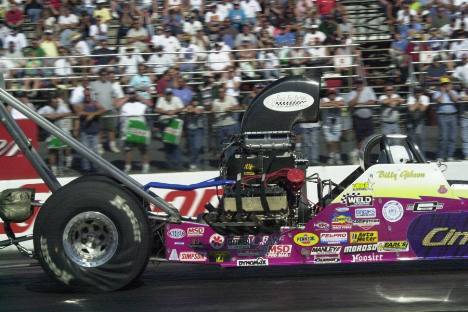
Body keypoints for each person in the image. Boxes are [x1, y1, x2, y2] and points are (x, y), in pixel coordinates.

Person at [117, 88, 152, 173]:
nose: (132, 94)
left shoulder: (140, 103)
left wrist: (139, 97)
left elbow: (150, 104)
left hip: (140, 126)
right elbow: (116, 105)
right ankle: (128, 166)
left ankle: (146, 166)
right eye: (130, 93)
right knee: (128, 149)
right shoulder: (124, 104)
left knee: (143, 148)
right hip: (128, 127)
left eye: (133, 93)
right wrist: (127, 97)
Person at [37, 92, 73, 174]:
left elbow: (68, 113)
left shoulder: (61, 106)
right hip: (53, 133)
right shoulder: (46, 108)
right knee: (53, 150)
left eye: (56, 102)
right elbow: (38, 114)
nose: (56, 103)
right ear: (50, 103)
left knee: (67, 148)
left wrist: (57, 116)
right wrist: (49, 116)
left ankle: (68, 165)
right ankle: (54, 169)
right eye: (54, 102)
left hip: (64, 131)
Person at [90, 68, 122, 154]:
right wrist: (98, 106)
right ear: (99, 75)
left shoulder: (109, 84)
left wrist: (114, 105)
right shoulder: (93, 84)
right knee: (100, 129)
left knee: (111, 129)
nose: (104, 76)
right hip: (99, 110)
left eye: (106, 74)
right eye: (103, 75)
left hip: (110, 109)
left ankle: (112, 145)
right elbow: (93, 98)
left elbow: (114, 96)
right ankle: (100, 146)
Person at [346, 78, 377, 164]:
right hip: (358, 119)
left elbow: (373, 102)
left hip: (368, 118)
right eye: (357, 83)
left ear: (363, 83)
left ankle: (361, 155)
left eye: (360, 83)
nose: (359, 84)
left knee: (369, 139)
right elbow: (351, 104)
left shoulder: (369, 90)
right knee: (359, 139)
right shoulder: (352, 93)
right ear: (355, 84)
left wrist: (361, 104)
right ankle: (358, 156)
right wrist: (358, 94)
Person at [74, 89, 106, 172]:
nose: (87, 97)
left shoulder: (95, 103)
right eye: (86, 95)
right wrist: (92, 114)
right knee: (85, 152)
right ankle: (86, 169)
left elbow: (103, 109)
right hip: (85, 131)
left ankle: (96, 168)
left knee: (95, 151)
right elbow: (80, 113)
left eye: (88, 95)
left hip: (94, 131)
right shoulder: (81, 104)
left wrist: (93, 114)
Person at [154, 88, 186, 169]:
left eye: (170, 94)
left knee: (175, 144)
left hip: (174, 123)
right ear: (165, 94)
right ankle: (170, 164)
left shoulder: (176, 99)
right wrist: (166, 112)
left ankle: (178, 164)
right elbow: (157, 109)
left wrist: (174, 111)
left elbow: (182, 108)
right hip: (164, 123)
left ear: (172, 94)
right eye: (167, 94)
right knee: (167, 144)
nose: (169, 95)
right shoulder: (161, 99)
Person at [432, 77, 460, 161]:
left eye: (447, 84)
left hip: (453, 115)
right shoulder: (437, 93)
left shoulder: (453, 92)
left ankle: (450, 155)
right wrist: (443, 92)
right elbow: (439, 101)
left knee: (452, 137)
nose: (445, 86)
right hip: (442, 116)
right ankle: (440, 156)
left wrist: (449, 91)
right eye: (443, 84)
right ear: (440, 85)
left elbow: (455, 100)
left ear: (450, 84)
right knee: (443, 137)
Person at [211, 86, 241, 152]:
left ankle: (231, 160)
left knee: (231, 144)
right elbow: (212, 111)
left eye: (222, 91)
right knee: (221, 145)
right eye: (219, 92)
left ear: (225, 92)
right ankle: (224, 160)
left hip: (230, 125)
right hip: (220, 126)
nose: (221, 93)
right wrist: (212, 111)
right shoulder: (215, 101)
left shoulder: (231, 98)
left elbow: (238, 107)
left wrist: (231, 108)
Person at [321, 88, 344, 165]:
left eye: (333, 93)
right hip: (327, 125)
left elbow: (341, 104)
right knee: (329, 142)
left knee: (337, 141)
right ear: (328, 94)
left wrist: (331, 103)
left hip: (337, 124)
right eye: (330, 93)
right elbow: (322, 104)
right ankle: (331, 156)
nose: (332, 95)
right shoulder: (323, 99)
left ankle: (338, 157)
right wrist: (335, 104)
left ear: (335, 94)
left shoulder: (339, 98)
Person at [406, 86, 430, 152]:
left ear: (422, 92)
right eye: (416, 92)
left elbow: (423, 109)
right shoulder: (410, 97)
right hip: (411, 120)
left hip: (420, 120)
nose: (417, 93)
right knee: (412, 140)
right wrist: (419, 103)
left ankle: (422, 157)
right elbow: (411, 109)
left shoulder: (425, 98)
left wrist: (415, 105)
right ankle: (412, 157)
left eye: (419, 92)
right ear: (414, 93)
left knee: (421, 139)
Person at [185, 99, 205, 170]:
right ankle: (192, 163)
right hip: (190, 129)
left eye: (196, 100)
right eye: (194, 100)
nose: (195, 102)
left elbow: (199, 111)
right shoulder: (188, 106)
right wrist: (190, 110)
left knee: (197, 147)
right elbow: (187, 110)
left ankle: (195, 163)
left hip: (198, 129)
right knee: (191, 148)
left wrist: (192, 110)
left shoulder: (200, 106)